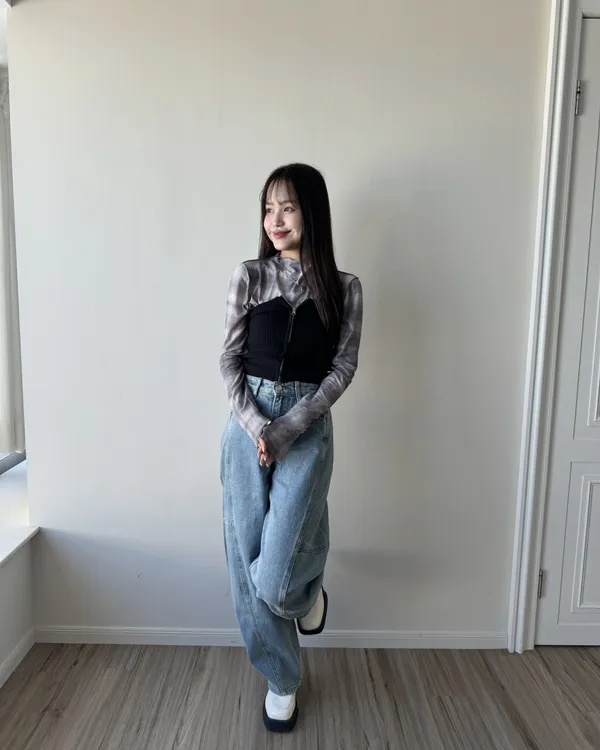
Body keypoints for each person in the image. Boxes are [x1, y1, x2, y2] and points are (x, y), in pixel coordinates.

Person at [219, 163, 363, 733]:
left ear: (312, 212)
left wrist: (287, 429)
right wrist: (259, 426)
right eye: (268, 209)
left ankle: (305, 596)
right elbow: (229, 361)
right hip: (245, 425)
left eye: (288, 207)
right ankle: (281, 678)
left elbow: (342, 368)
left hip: (307, 428)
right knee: (244, 560)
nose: (275, 220)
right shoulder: (249, 277)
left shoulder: (345, 288)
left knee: (274, 576)